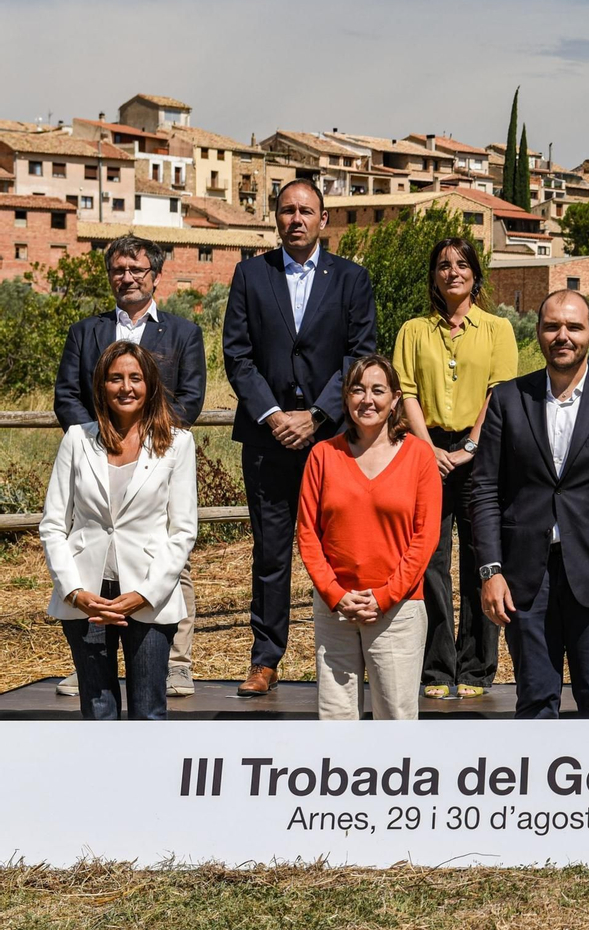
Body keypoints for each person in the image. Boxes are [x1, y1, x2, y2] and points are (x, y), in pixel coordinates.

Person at [468, 290, 589, 720]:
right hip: (524, 579)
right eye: (552, 326)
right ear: (538, 333)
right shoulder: (508, 400)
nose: (562, 336)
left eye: (573, 327)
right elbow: (483, 491)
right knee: (534, 701)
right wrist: (490, 571)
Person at [223, 178, 377, 696]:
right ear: (275, 217)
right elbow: (237, 356)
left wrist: (315, 415)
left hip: (332, 439)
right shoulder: (250, 274)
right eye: (286, 210)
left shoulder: (351, 279)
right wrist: (272, 415)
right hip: (268, 441)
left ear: (323, 219)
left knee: (339, 550)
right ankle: (265, 659)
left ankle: (347, 662)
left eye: (305, 211)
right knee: (270, 555)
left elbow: (359, 353)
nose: (295, 219)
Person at [53, 234, 206, 698]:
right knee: (92, 553)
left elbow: (191, 396)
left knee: (168, 564)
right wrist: (102, 437)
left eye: (137, 269)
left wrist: (149, 440)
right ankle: (89, 666)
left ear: (155, 276)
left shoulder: (182, 332)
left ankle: (175, 663)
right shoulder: (86, 332)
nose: (127, 277)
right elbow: (67, 395)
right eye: (119, 270)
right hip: (98, 463)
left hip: (156, 462)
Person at [39, 342, 198, 720]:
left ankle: (148, 781)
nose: (125, 387)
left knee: (149, 711)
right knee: (97, 710)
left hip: (148, 594)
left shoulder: (177, 444)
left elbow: (183, 531)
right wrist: (74, 591)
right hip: (87, 598)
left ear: (150, 385)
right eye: (115, 378)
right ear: (101, 386)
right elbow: (53, 525)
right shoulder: (77, 440)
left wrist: (145, 593)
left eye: (135, 378)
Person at [394, 237, 518, 701]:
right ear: (433, 276)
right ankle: (436, 667)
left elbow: (499, 392)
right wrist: (430, 450)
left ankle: (478, 667)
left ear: (475, 275)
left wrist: (469, 445)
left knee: (480, 559)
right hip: (425, 450)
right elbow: (405, 391)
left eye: (462, 264)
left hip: (481, 449)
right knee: (430, 563)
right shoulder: (412, 330)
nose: (452, 272)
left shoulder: (497, 329)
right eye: (443, 265)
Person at [297, 356, 441, 720]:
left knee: (395, 719)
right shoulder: (322, 455)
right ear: (345, 398)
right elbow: (308, 534)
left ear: (395, 399)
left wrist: (384, 596)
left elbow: (425, 538)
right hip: (337, 610)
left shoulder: (419, 456)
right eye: (357, 389)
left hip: (398, 609)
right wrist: (335, 594)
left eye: (378, 390)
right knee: (335, 719)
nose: (367, 399)